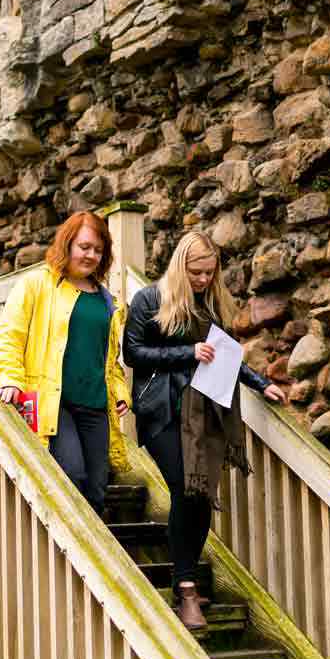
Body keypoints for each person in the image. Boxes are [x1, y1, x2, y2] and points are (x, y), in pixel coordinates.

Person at [123, 231, 286, 631]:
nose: (202, 280)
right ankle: (188, 588)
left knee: (198, 495)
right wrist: (187, 352)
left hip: (202, 413)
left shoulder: (210, 303)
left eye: (210, 273)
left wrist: (260, 383)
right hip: (160, 408)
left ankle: (185, 581)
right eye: (196, 273)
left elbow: (225, 356)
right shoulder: (149, 300)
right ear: (181, 266)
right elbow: (133, 353)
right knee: (183, 487)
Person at [0, 212, 130, 515]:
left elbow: (110, 361)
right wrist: (10, 379)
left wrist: (120, 392)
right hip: (55, 403)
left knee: (97, 488)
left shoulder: (109, 301)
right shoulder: (36, 285)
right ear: (66, 244)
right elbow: (9, 336)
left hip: (95, 406)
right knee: (73, 476)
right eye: (84, 247)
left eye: (98, 249)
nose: (91, 255)